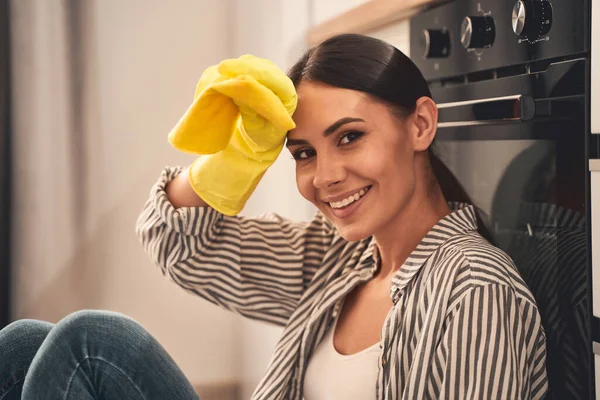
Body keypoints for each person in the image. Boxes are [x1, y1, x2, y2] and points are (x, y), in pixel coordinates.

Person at [0, 34, 548, 400]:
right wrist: (239, 155)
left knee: (92, 342)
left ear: (420, 126)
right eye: (304, 153)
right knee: (23, 342)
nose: (325, 176)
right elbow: (180, 245)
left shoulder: (473, 289)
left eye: (349, 137)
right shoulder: (340, 260)